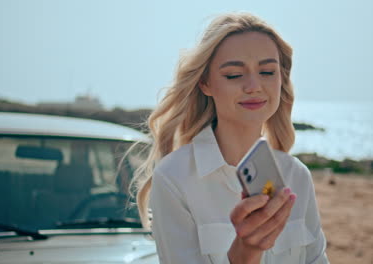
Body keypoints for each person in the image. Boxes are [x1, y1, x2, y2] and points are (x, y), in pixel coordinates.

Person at [130, 12, 329, 264]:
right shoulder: (173, 178)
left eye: (267, 71)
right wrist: (243, 254)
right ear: (205, 83)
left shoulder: (296, 175)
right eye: (234, 75)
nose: (254, 86)